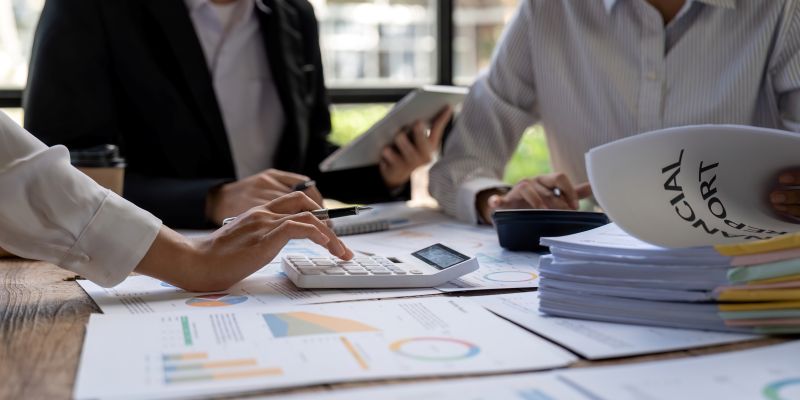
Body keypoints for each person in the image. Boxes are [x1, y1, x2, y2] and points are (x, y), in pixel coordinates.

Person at [24, 0, 452, 228]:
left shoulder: (294, 16)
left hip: (281, 256)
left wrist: (386, 173)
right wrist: (210, 200)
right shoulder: (89, 8)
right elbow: (56, 174)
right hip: (147, 259)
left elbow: (302, 164)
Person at [429, 0, 800, 224]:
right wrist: (497, 201)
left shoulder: (784, 10)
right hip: (587, 274)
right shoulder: (548, 10)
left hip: (744, 271)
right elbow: (461, 164)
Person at [0, 111, 352, 291]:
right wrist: (190, 253)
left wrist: (386, 173)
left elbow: (314, 156)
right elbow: (65, 161)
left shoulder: (293, 14)